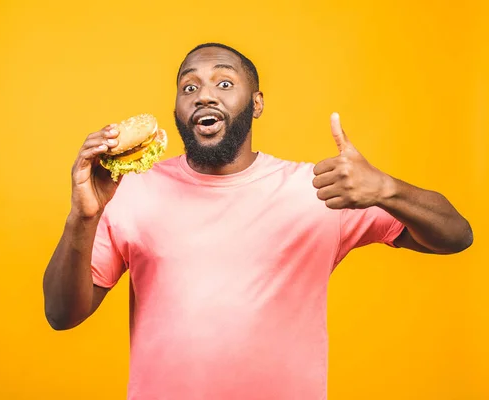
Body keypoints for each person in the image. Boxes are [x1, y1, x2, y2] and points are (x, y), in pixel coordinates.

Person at [42, 43, 473, 399]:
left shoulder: (320, 191)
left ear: (257, 102)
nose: (204, 95)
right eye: (188, 86)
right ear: (176, 107)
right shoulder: (131, 190)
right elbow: (62, 314)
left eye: (224, 83)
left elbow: (456, 235)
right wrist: (83, 216)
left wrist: (386, 190)